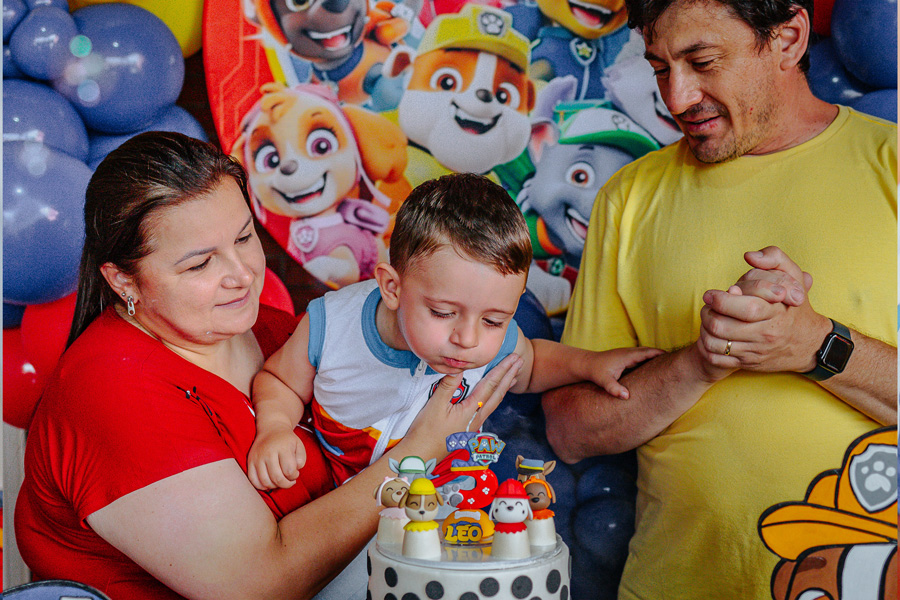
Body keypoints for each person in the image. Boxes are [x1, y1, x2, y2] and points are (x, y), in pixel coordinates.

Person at [13, 131, 522, 600]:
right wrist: (418, 455)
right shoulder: (113, 389)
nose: (242, 274)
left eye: (243, 238)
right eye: (199, 263)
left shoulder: (274, 331)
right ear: (123, 281)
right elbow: (256, 585)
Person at [541, 1, 898, 599]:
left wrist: (815, 345)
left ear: (787, 38)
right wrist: (703, 360)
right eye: (659, 68)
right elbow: (571, 431)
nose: (677, 98)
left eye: (702, 61)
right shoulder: (629, 196)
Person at [247, 173, 662, 488]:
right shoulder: (331, 323)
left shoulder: (483, 340)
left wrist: (591, 364)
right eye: (443, 313)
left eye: (494, 321)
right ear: (392, 287)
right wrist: (275, 428)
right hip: (340, 498)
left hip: (439, 506)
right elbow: (279, 380)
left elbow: (531, 363)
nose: (468, 339)